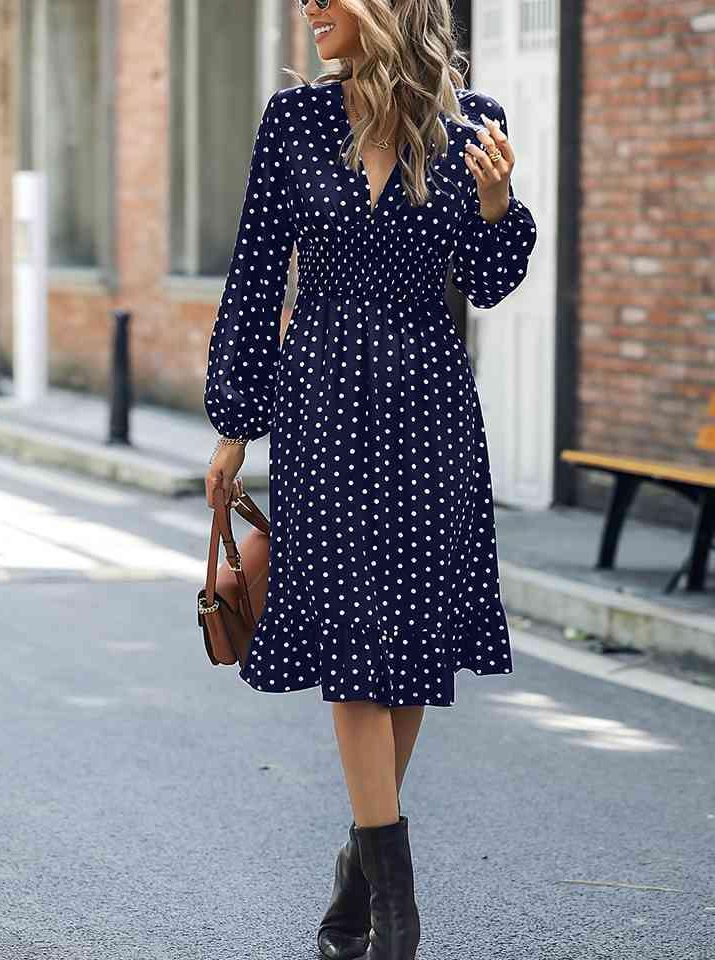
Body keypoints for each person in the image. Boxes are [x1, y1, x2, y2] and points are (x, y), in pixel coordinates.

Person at [203, 1, 537, 957]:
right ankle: (398, 914)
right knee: (352, 633)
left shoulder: (473, 123)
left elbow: (491, 277)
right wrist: (235, 424)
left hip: (430, 408)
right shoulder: (293, 121)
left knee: (415, 634)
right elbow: (257, 276)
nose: (311, 3)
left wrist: (496, 210)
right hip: (324, 412)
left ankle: (359, 872)